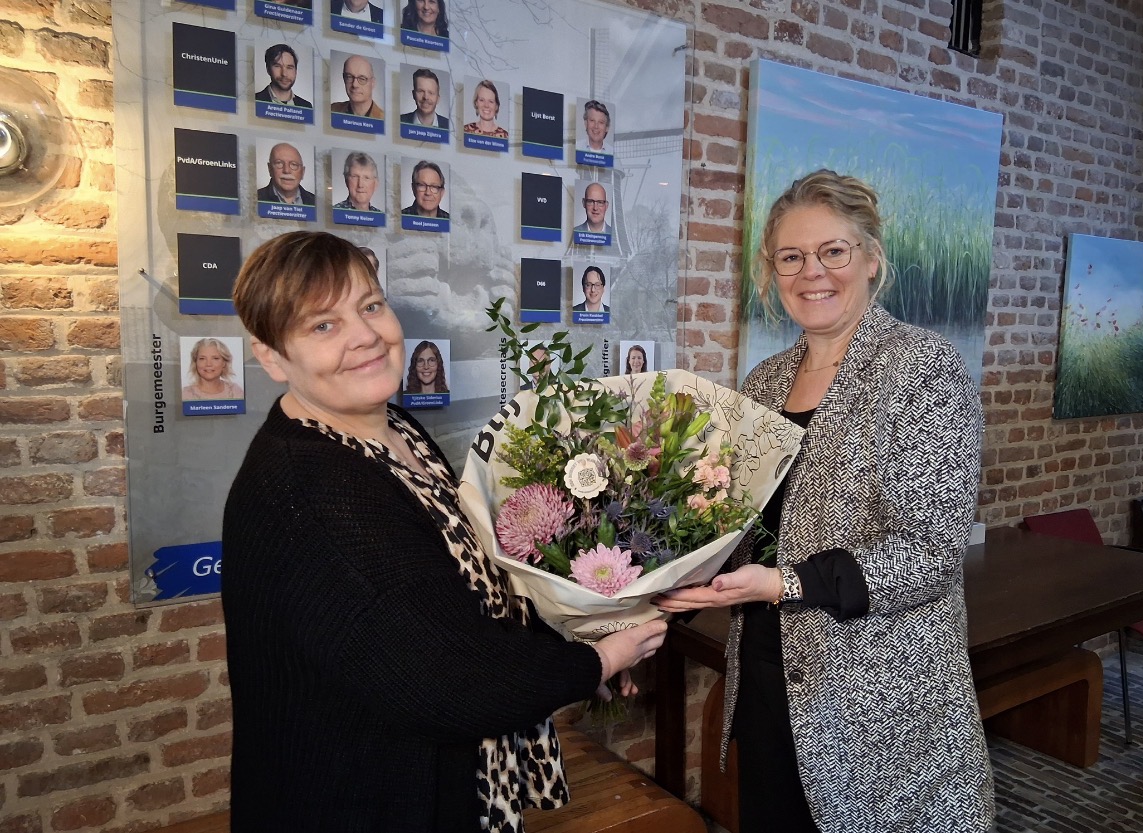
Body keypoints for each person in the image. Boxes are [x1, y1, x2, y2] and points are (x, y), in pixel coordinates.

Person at [223, 231, 667, 832]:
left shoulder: (391, 429)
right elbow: (444, 677)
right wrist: (597, 660)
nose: (365, 335)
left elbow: (462, 591)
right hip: (362, 799)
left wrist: (582, 626)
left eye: (371, 305)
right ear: (273, 356)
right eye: (322, 326)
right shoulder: (311, 490)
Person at [655, 169, 993, 833]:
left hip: (880, 712)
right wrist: (651, 576)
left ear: (871, 259)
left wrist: (787, 581)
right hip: (769, 682)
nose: (813, 271)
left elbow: (930, 550)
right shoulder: (764, 380)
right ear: (772, 271)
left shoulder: (922, 368)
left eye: (833, 251)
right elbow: (737, 520)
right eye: (791, 256)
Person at [330, 55, 384, 120]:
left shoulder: (385, 120)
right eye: (349, 77)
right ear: (344, 79)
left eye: (362, 78)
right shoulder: (331, 110)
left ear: (372, 83)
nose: (355, 85)